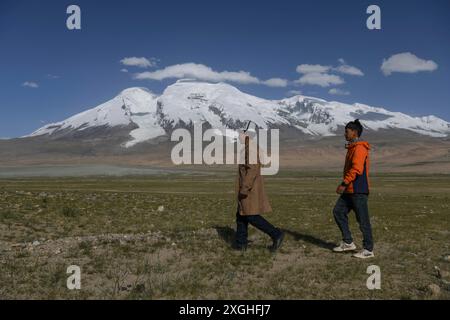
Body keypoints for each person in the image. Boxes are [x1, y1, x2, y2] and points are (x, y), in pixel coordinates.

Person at [234, 120, 284, 252]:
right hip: (249, 188)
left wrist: (244, 188)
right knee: (241, 215)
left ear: (246, 133)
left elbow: (252, 169)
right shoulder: (248, 146)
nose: (238, 135)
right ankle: (241, 244)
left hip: (249, 189)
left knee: (251, 216)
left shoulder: (250, 148)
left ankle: (276, 234)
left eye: (240, 133)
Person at [333, 119, 374, 259]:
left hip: (358, 189)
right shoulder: (352, 147)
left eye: (347, 131)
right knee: (338, 211)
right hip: (350, 189)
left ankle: (368, 249)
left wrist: (344, 183)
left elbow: (356, 169)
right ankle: (348, 242)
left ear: (354, 132)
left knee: (363, 220)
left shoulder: (359, 148)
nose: (345, 134)